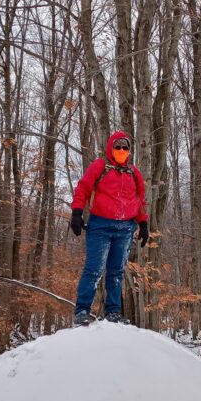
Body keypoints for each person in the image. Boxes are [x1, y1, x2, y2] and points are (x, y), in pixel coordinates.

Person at [69, 131, 149, 326]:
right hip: (100, 226)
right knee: (94, 269)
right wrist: (77, 212)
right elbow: (83, 187)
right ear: (111, 147)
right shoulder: (100, 166)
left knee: (116, 272)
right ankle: (82, 311)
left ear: (129, 151)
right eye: (118, 146)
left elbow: (139, 200)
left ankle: (113, 312)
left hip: (125, 229)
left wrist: (143, 223)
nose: (121, 150)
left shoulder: (133, 172)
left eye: (125, 147)